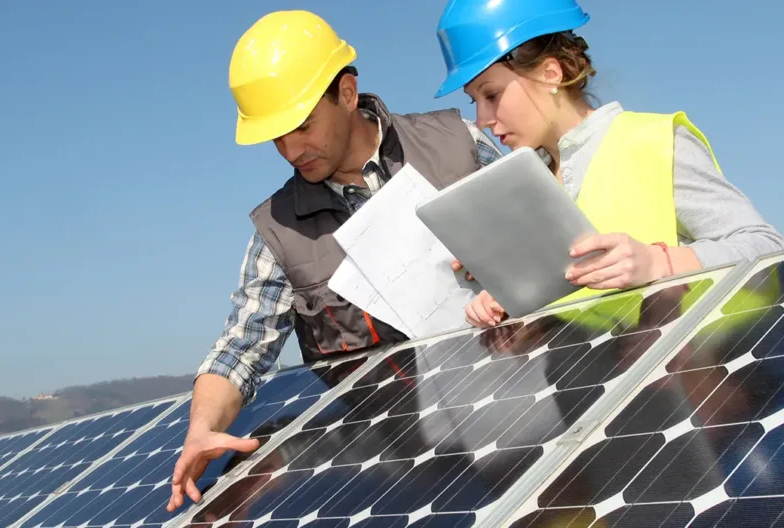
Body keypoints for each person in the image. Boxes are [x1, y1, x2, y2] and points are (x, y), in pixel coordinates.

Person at [166, 9, 503, 512]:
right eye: (276, 137)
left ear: (347, 93)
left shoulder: (459, 147)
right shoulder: (279, 231)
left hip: (528, 415)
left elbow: (544, 251)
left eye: (301, 126)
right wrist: (201, 428)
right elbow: (242, 346)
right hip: (412, 474)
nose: (290, 150)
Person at [431, 0, 784, 328]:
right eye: (475, 101)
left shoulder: (651, 140)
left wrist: (659, 263)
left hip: (702, 369)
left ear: (549, 73)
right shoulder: (517, 192)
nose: (482, 120)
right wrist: (510, 304)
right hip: (603, 376)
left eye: (491, 95)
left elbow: (767, 247)